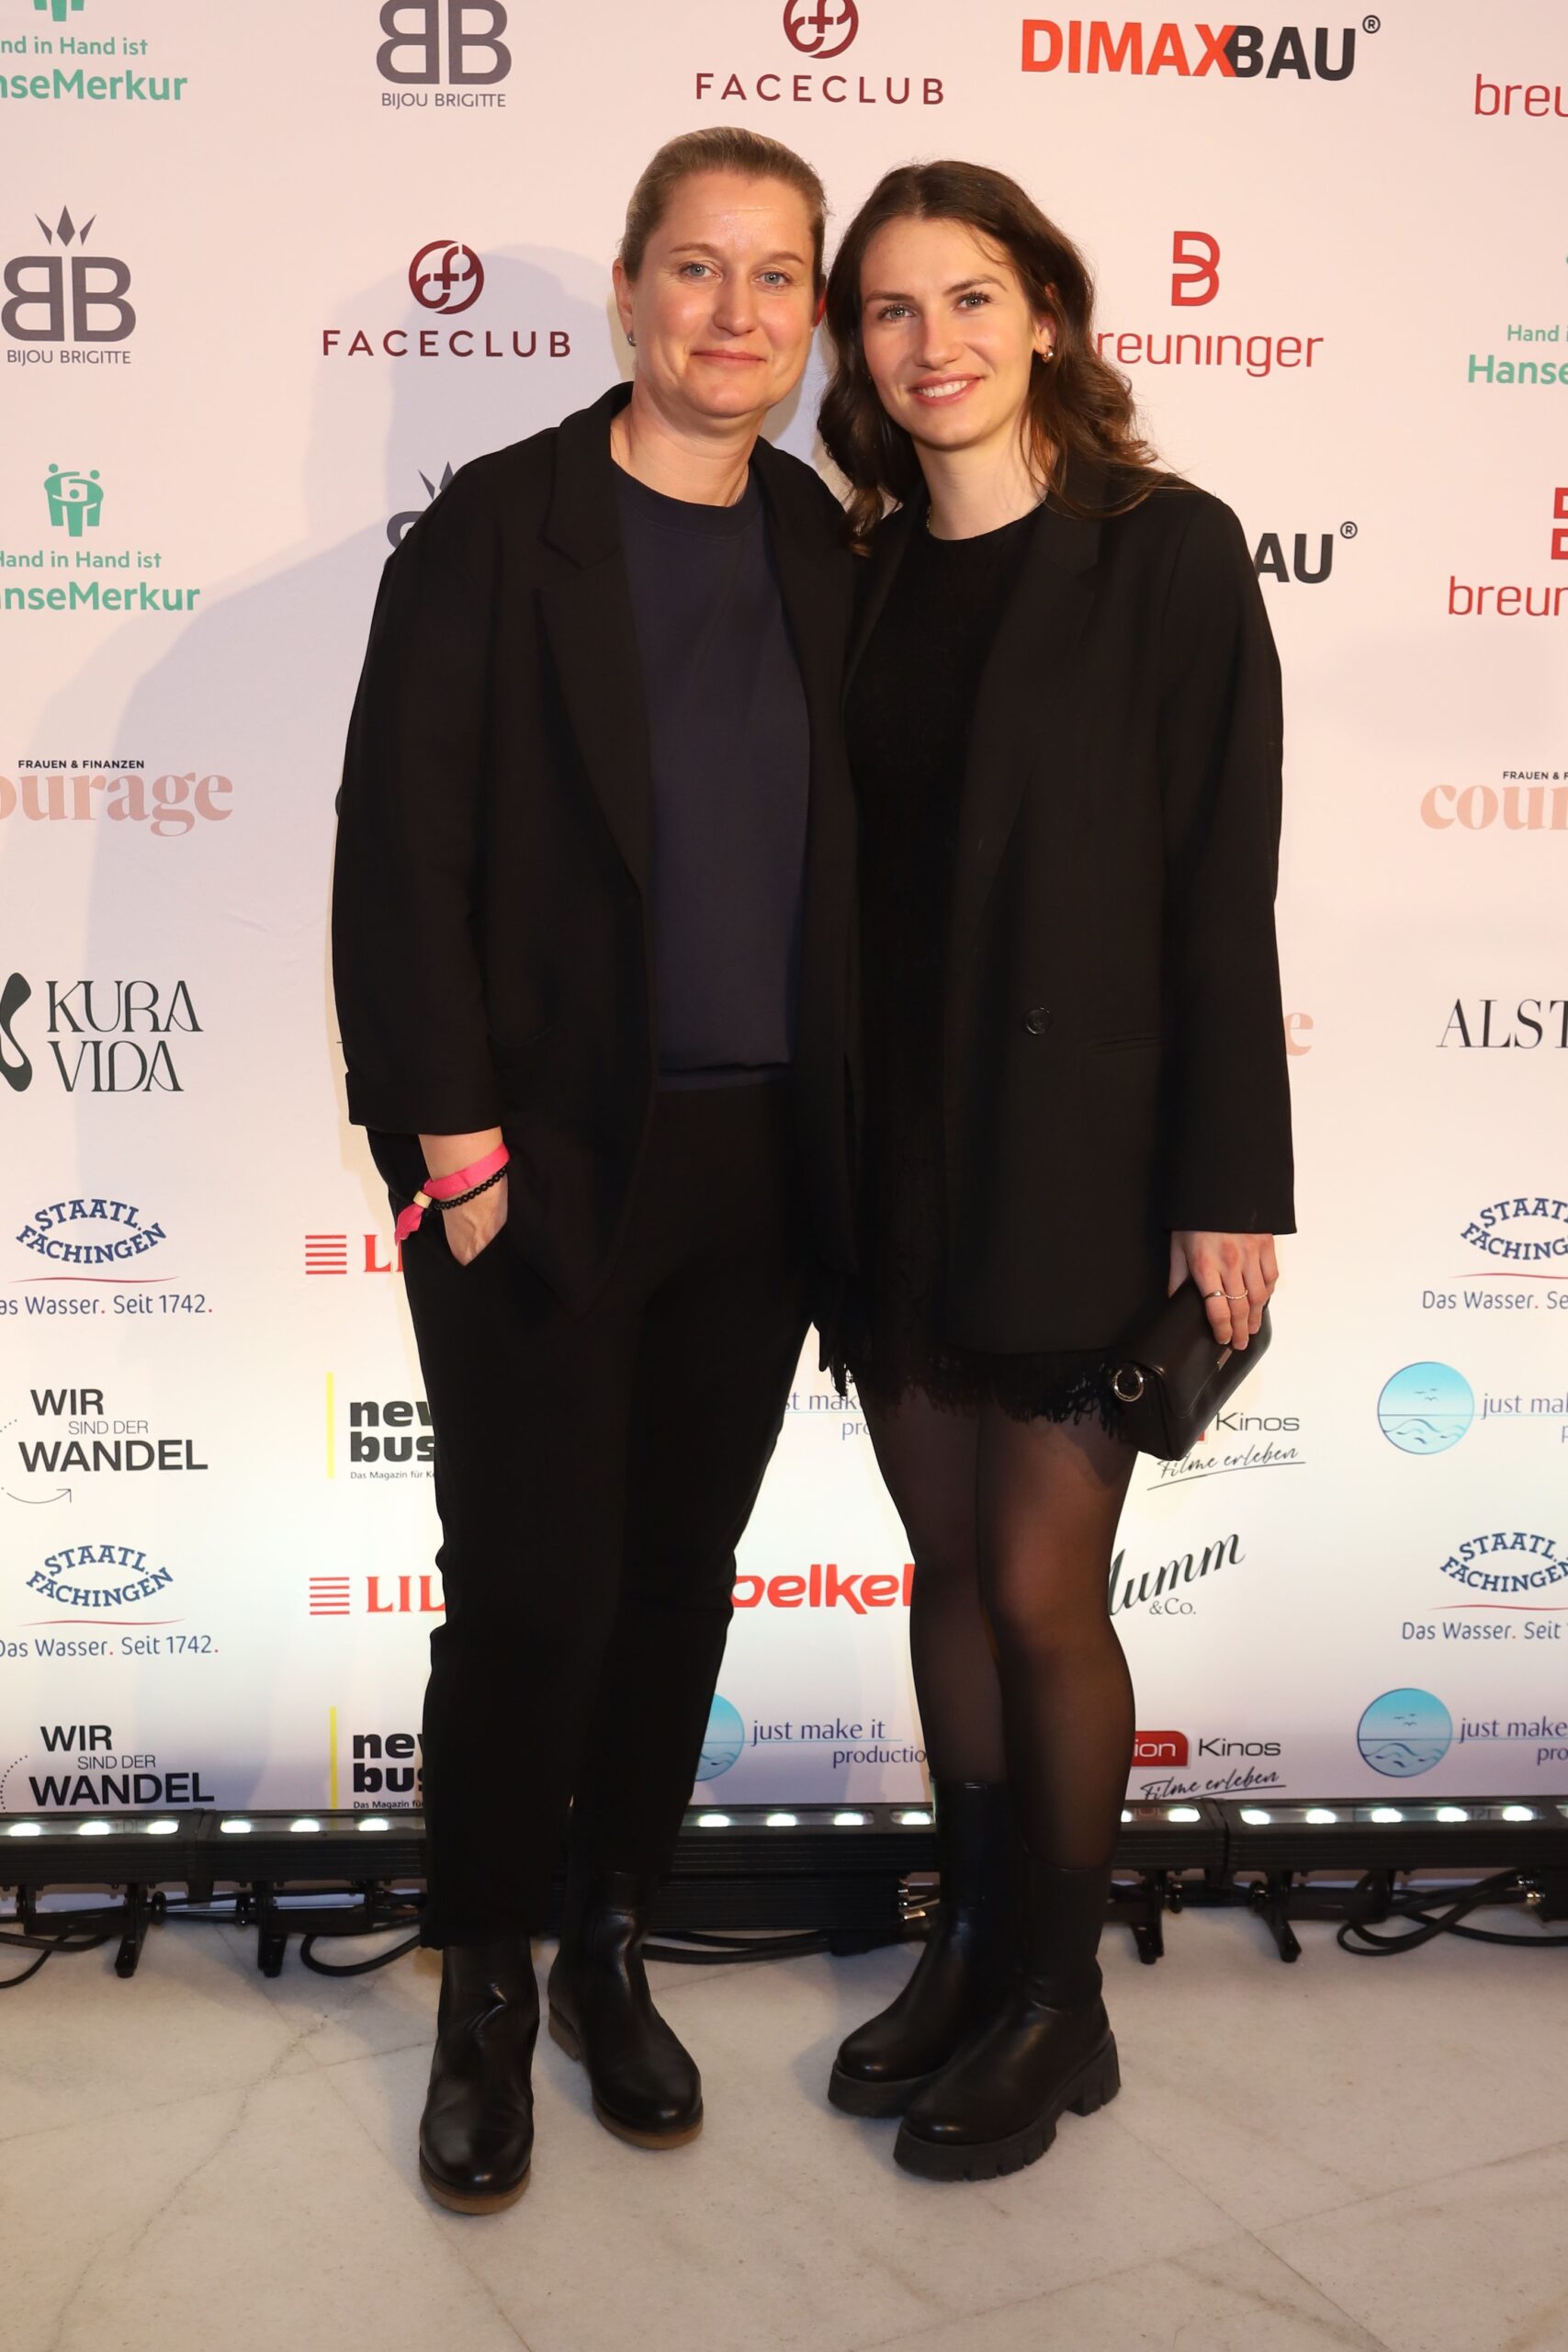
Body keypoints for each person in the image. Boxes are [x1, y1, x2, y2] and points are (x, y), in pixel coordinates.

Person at [330, 127, 857, 2214]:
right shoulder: (497, 529)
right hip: (540, 1164)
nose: (735, 313)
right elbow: (399, 852)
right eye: (697, 268)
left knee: (675, 1579)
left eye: (777, 276)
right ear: (631, 292)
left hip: (763, 1166)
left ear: (809, 319)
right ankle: (482, 1978)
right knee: (532, 1591)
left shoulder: (821, 535)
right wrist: (455, 1146)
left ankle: (607, 1938)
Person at [816, 162, 1294, 2183]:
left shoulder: (1161, 552)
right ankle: (973, 1944)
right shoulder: (855, 570)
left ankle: (1057, 1997)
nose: (930, 342)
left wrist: (1230, 1182)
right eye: (889, 308)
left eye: (968, 297)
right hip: (891, 1154)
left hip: (1080, 1157)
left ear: (1047, 315)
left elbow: (1221, 886)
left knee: (1036, 1584)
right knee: (944, 1571)